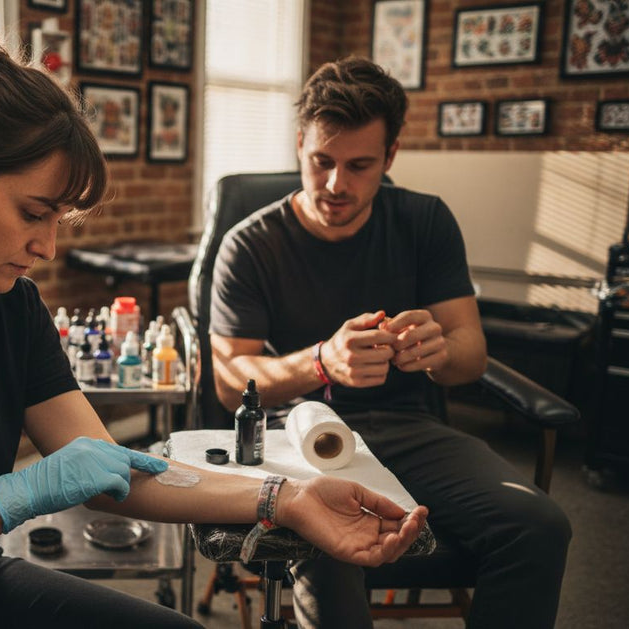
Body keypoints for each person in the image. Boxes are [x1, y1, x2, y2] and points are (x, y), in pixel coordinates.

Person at [0, 20, 428, 628]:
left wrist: (286, 498)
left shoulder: (9, 304)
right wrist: (16, 494)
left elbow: (113, 471)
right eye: (33, 213)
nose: (47, 246)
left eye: (58, 220)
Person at [208, 56, 572, 629]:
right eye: (321, 161)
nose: (336, 184)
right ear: (300, 144)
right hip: (299, 438)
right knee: (326, 543)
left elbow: (471, 355)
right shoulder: (250, 244)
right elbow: (231, 382)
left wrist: (439, 351)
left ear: (391, 155)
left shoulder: (425, 222)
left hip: (409, 429)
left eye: (359, 166)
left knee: (539, 526)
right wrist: (322, 361)